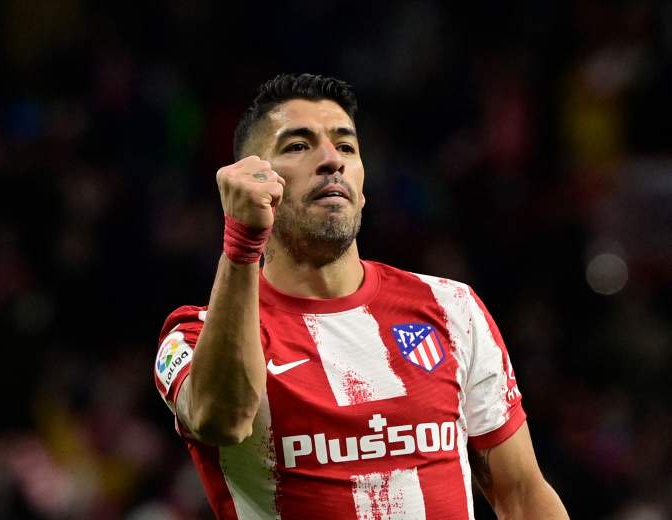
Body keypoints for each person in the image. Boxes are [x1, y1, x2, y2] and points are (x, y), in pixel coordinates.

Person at [153, 73, 568, 519]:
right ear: (248, 179)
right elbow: (223, 419)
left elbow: (523, 495)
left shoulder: (451, 307)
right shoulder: (190, 337)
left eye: (346, 146)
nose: (332, 160)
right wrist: (241, 243)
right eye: (298, 145)